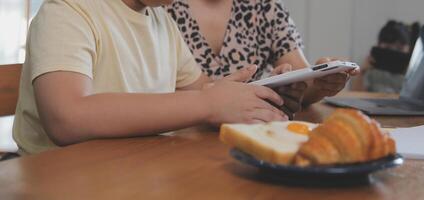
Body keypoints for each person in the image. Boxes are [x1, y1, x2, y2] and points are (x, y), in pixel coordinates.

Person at [13, 0, 292, 155]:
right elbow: (66, 118)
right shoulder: (69, 10)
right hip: (60, 180)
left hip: (136, 170)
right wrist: (208, 103)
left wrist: (257, 92)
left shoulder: (162, 22)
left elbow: (200, 90)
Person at [165, 0, 357, 107]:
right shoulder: (161, 6)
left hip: (248, 128)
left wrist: (321, 83)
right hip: (175, 135)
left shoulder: (266, 7)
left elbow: (303, 81)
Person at [351, 20, 419, 93]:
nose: (393, 54)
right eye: (387, 48)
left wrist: (412, 73)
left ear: (410, 48)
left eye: (399, 49)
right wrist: (362, 72)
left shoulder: (415, 69)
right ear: (379, 45)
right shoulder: (369, 66)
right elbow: (356, 93)